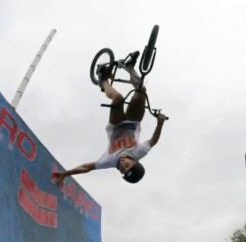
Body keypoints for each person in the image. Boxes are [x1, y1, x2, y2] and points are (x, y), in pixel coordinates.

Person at [52, 53, 167, 186]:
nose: (123, 165)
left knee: (118, 98)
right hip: (133, 121)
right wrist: (160, 122)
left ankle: (104, 80)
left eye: (123, 170)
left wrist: (65, 174)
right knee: (141, 91)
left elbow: (87, 167)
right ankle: (130, 66)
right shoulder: (139, 152)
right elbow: (153, 141)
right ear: (135, 161)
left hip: (116, 125)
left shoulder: (109, 161)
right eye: (128, 165)